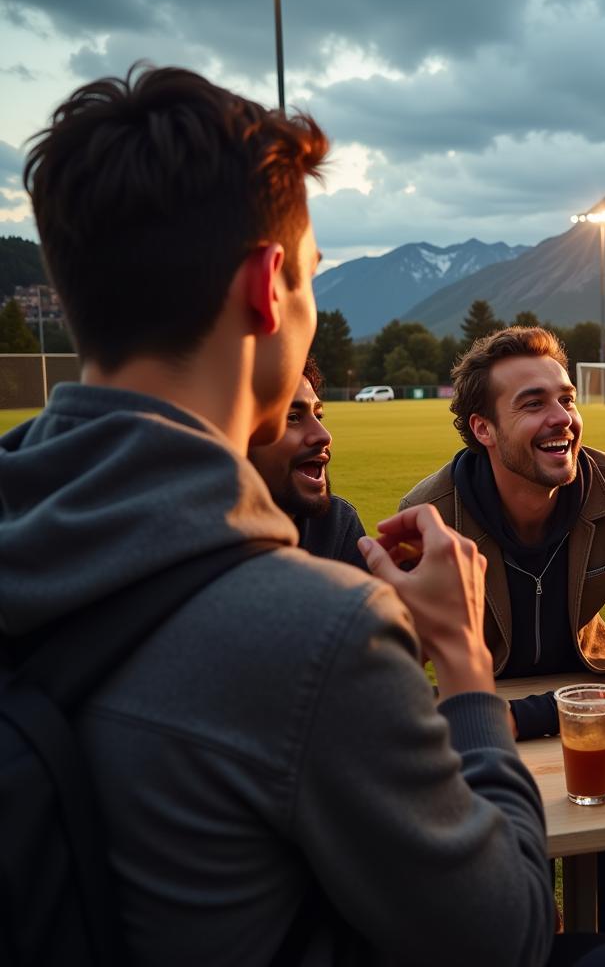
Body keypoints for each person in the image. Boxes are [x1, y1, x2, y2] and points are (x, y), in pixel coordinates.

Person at [0, 65, 554, 966]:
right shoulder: (316, 634)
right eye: (309, 281)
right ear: (266, 288)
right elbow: (508, 935)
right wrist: (461, 656)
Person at [400, 326, 605, 961]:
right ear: (483, 429)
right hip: (489, 703)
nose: (563, 419)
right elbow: (405, 660)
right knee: (528, 839)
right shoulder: (432, 516)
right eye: (533, 404)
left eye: (567, 398)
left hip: (597, 686)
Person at [248, 354, 368, 569]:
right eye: (293, 417)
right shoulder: (192, 543)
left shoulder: (336, 524)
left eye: (318, 415)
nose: (324, 436)